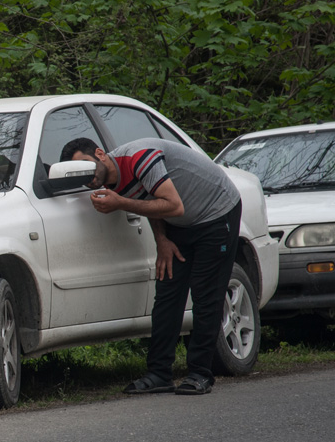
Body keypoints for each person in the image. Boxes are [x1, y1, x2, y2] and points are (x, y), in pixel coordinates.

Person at [59, 137, 241, 395]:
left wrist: (120, 203)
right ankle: (159, 374)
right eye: (79, 174)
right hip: (178, 224)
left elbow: (173, 205)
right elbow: (151, 197)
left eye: (87, 166)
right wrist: (162, 239)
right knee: (167, 296)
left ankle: (201, 373)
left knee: (205, 294)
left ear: (100, 153)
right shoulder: (109, 182)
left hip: (215, 212)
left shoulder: (140, 158)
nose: (87, 178)